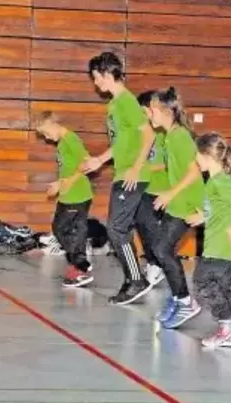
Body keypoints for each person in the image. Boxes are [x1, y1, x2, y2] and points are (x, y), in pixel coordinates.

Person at [83, 51, 153, 305]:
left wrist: (136, 167)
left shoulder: (126, 102)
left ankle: (137, 280)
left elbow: (148, 135)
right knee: (123, 228)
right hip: (123, 173)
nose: (95, 83)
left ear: (108, 73)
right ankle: (132, 278)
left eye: (96, 77)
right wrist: (100, 160)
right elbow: (123, 142)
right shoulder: (114, 104)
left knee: (116, 228)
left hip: (131, 176)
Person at [148, 87, 204, 329]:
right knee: (161, 248)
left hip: (187, 202)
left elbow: (194, 170)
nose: (149, 114)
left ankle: (185, 300)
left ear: (164, 111)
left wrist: (171, 192)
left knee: (162, 249)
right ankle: (178, 296)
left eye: (151, 109)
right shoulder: (170, 136)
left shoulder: (180, 137)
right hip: (177, 201)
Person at [189, 133, 231, 348]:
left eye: (196, 155)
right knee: (223, 287)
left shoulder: (218, 182)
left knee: (201, 282)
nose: (195, 160)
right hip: (221, 245)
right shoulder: (216, 182)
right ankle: (230, 333)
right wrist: (202, 217)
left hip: (221, 246)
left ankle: (228, 320)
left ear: (206, 156)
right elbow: (219, 209)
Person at [35, 111, 94, 288]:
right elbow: (68, 169)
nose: (46, 137)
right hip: (67, 195)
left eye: (45, 132)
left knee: (69, 230)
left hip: (78, 195)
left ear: (53, 124)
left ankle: (82, 267)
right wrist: (59, 183)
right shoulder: (62, 143)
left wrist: (68, 182)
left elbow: (87, 163)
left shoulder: (71, 140)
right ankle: (79, 263)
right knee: (59, 229)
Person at [135, 90, 168, 287]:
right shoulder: (144, 131)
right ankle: (153, 262)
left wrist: (145, 167)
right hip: (145, 186)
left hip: (162, 188)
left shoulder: (164, 133)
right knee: (142, 224)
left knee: (153, 228)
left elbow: (168, 162)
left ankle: (158, 263)